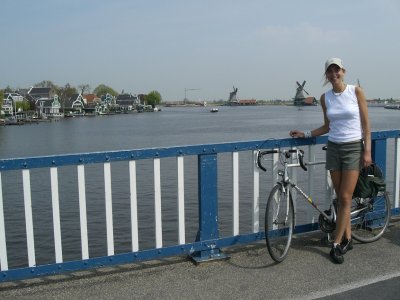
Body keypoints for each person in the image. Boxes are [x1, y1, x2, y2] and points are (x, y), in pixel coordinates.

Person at [289, 58, 372, 264]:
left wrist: (367, 151)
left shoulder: (356, 91)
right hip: (334, 148)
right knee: (340, 197)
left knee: (345, 197)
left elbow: (366, 124)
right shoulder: (325, 98)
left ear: (343, 71)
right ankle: (348, 239)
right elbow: (327, 126)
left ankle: (336, 243)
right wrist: (305, 133)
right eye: (329, 71)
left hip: (353, 147)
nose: (333, 74)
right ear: (326, 75)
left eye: (337, 70)